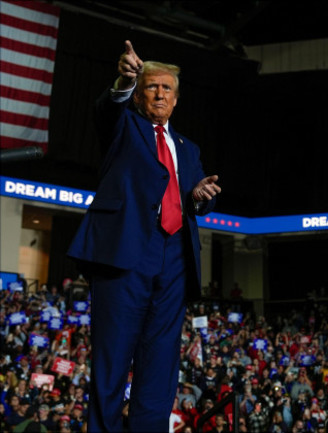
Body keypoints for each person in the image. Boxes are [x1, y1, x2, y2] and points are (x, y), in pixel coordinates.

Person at [67, 40, 221, 432]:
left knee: (160, 364)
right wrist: (123, 79)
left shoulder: (188, 148)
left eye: (167, 88)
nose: (159, 93)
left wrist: (200, 198)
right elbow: (106, 111)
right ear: (138, 94)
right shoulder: (124, 126)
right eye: (151, 86)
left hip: (175, 259)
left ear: (177, 98)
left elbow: (192, 201)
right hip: (125, 253)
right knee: (112, 359)